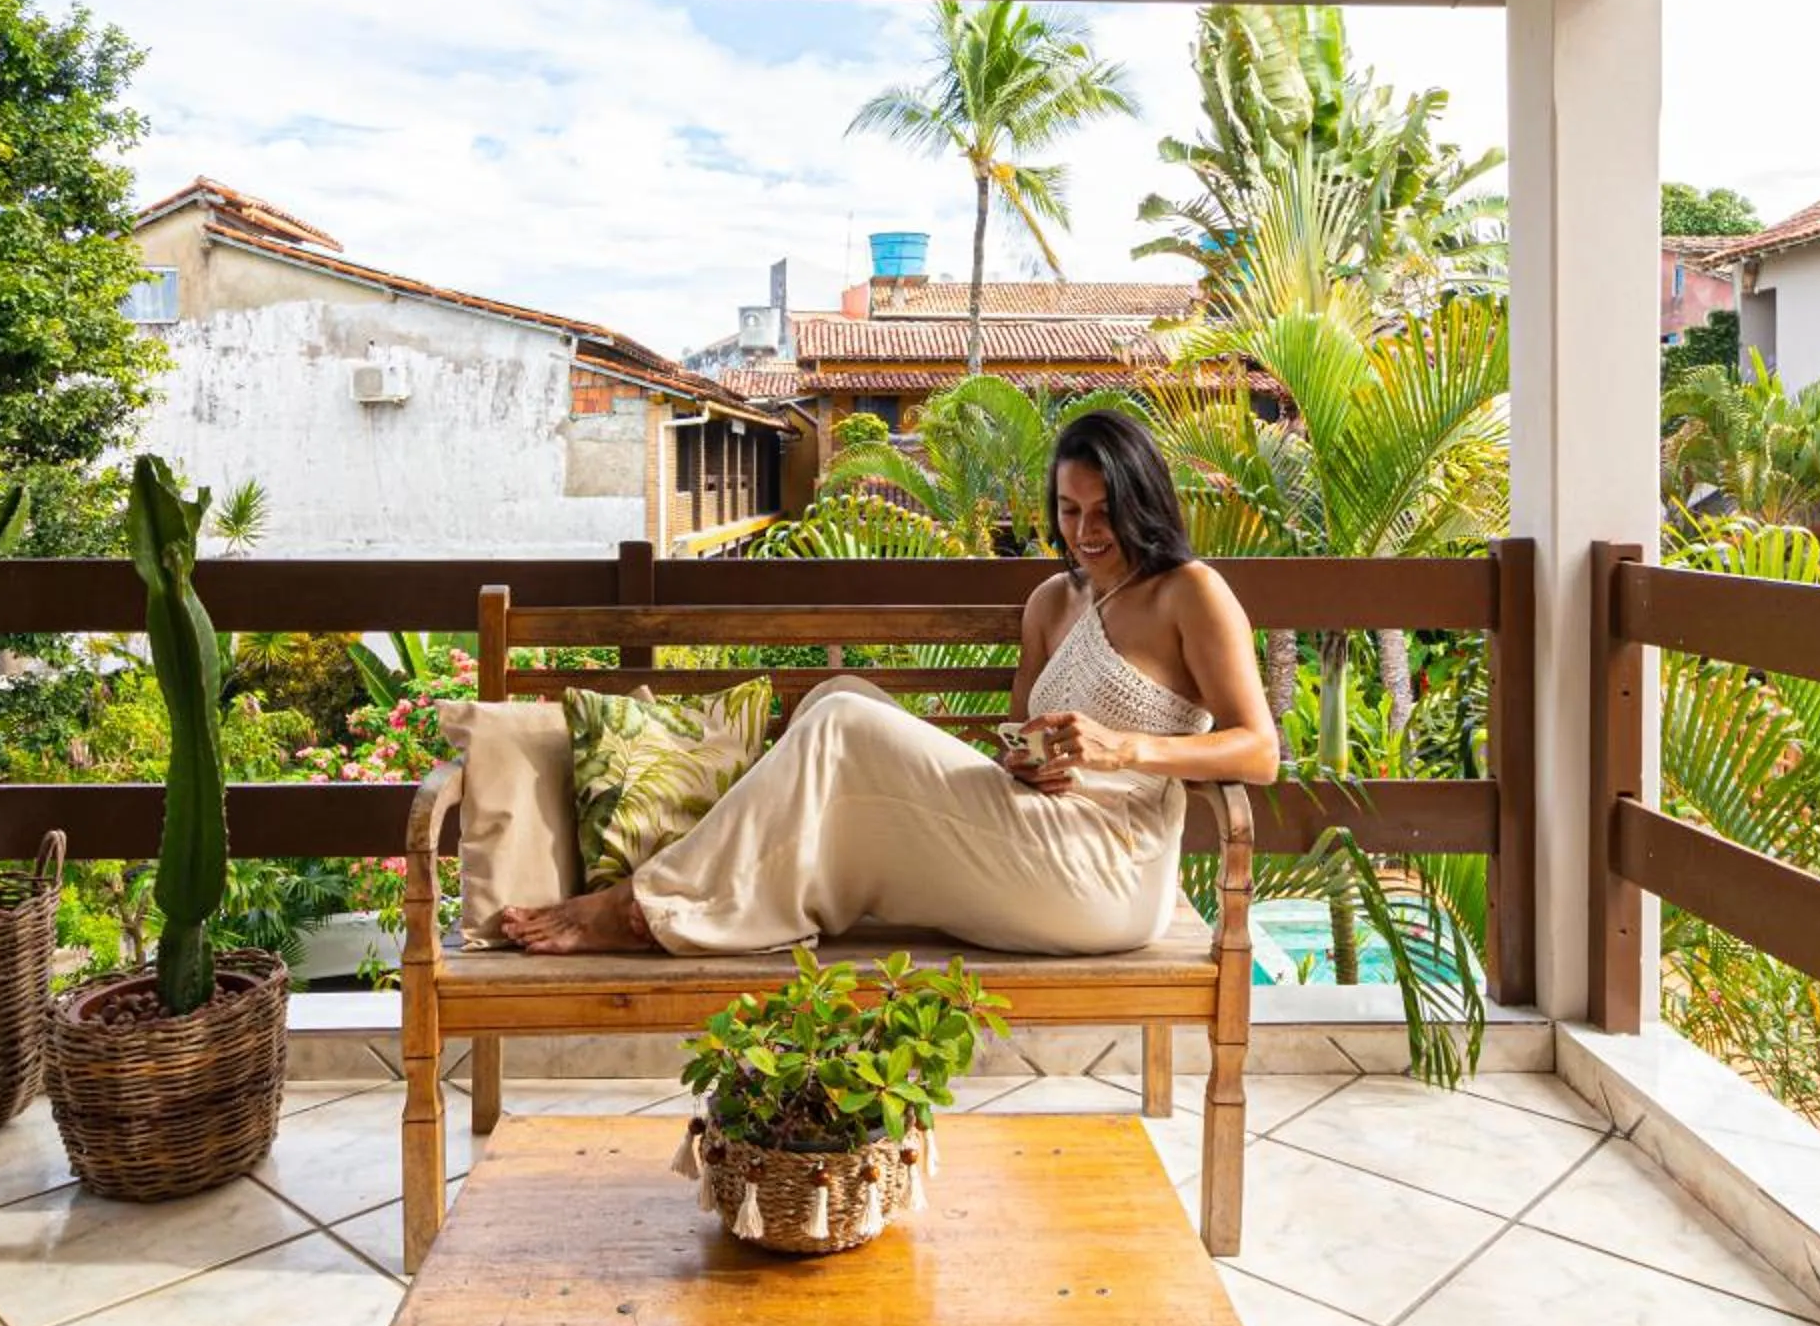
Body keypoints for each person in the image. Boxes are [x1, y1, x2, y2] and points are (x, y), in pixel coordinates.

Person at [501, 410, 1281, 956]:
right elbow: (1015, 746)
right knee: (838, 697)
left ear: (1144, 501)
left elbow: (1259, 752)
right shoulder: (1052, 601)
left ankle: (645, 904)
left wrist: (1123, 751)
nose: (1086, 532)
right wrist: (1027, 759)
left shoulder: (1191, 593)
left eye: (1105, 510)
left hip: (1109, 871)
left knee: (843, 724)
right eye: (1070, 510)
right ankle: (709, 899)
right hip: (1027, 839)